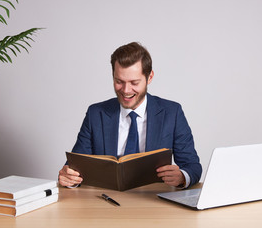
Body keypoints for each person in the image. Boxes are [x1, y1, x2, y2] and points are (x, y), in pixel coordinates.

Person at [58, 42, 202, 188]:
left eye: (134, 82)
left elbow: (193, 166)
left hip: (153, 202)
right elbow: (74, 168)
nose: (126, 90)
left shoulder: (172, 113)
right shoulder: (95, 114)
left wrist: (182, 176)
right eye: (119, 81)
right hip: (106, 200)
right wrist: (69, 177)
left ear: (149, 77)